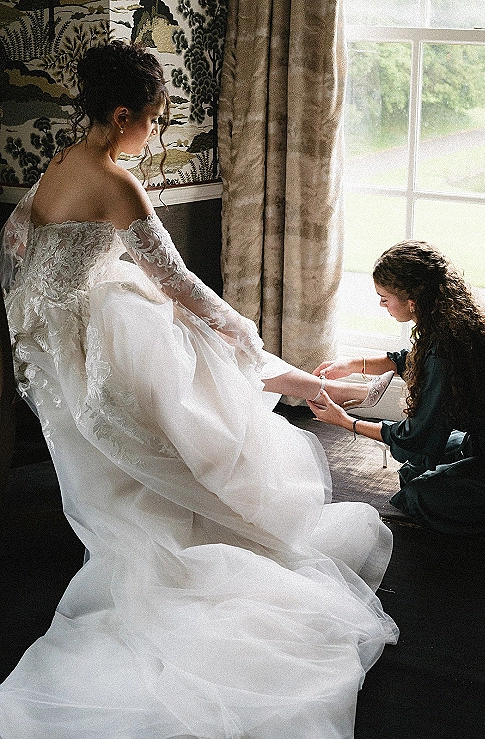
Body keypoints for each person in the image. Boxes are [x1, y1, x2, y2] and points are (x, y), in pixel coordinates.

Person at [0, 40, 398, 739]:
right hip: (95, 328)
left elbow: (17, 238)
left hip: (57, 335)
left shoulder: (61, 160)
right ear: (122, 114)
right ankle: (303, 387)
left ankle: (305, 384)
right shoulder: (114, 180)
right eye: (152, 119)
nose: (153, 132)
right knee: (206, 342)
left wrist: (49, 312)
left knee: (177, 358)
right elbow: (178, 280)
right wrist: (240, 327)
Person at [308, 240, 485, 536]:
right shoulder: (451, 323)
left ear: (411, 300)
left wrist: (345, 422)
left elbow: (416, 435)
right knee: (415, 468)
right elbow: (409, 361)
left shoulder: (445, 346)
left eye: (384, 299)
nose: (381, 305)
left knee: (419, 494)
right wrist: (349, 364)